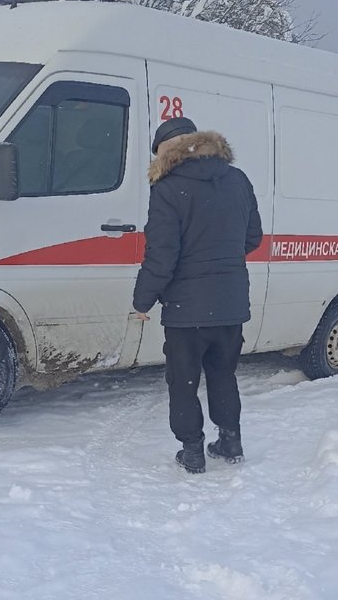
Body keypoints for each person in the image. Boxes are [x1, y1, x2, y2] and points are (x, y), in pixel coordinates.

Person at [132, 117, 263, 473]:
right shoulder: (237, 180)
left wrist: (142, 301)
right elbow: (253, 238)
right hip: (231, 304)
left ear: (165, 151)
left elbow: (161, 256)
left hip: (186, 309)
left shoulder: (168, 189)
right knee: (224, 374)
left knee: (183, 381)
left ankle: (192, 451)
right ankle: (230, 440)